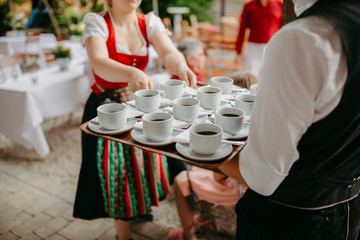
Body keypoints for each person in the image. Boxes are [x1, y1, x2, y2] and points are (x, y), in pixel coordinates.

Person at [219, 0, 360, 239]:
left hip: (289, 220)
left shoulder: (303, 38)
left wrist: (205, 153)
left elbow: (261, 176)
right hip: (350, 210)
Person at [72, 0, 197, 239]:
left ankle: (164, 222)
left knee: (158, 161)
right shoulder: (97, 22)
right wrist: (131, 72)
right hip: (109, 107)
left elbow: (168, 51)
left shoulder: (148, 21)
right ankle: (124, 235)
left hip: (142, 103)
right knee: (117, 169)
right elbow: (98, 63)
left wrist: (180, 66)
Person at [169, 71, 258, 240]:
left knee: (182, 180)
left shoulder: (228, 127)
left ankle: (188, 234)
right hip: (252, 188)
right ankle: (205, 220)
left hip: (236, 189)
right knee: (198, 172)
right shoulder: (254, 124)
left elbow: (218, 177)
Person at [235, 0, 283, 77]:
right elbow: (242, 29)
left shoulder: (280, 4)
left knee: (270, 76)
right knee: (252, 76)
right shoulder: (248, 6)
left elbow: (283, 28)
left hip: (272, 47)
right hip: (253, 48)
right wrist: (238, 52)